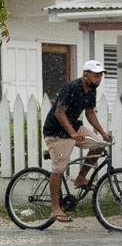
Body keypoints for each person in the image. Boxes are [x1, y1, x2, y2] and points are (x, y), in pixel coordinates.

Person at [41, 60, 112, 222]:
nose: (98, 80)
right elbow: (59, 112)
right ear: (85, 74)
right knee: (59, 168)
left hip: (74, 127)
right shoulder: (71, 87)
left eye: (100, 76)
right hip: (56, 132)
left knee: (99, 144)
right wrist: (72, 132)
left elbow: (90, 113)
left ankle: (81, 178)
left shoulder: (91, 91)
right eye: (96, 76)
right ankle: (55, 209)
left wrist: (102, 133)